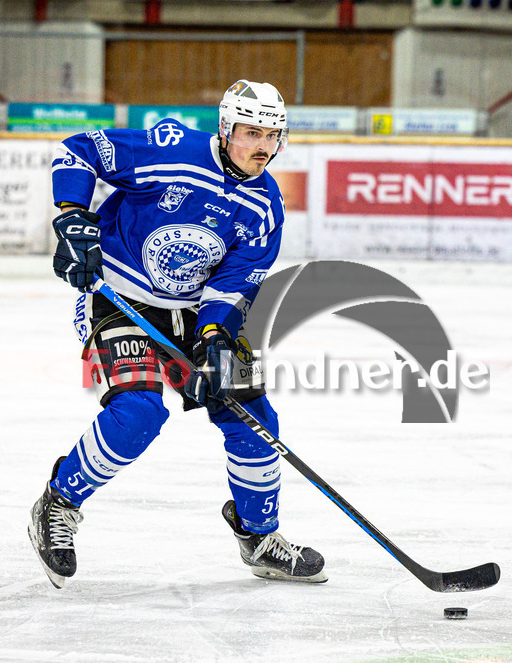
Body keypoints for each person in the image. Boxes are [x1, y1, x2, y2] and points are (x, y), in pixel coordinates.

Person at [28, 80, 326, 588]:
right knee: (139, 412)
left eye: (273, 135)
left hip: (193, 313)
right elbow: (77, 151)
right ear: (227, 129)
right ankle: (57, 504)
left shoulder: (267, 205)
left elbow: (237, 280)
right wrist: (73, 218)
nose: (263, 146)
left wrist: (213, 335)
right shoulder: (172, 149)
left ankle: (259, 537)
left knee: (253, 414)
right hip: (119, 297)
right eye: (251, 132)